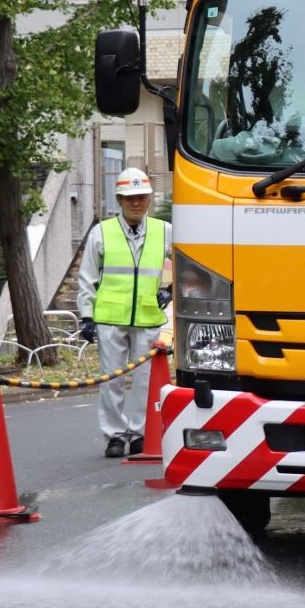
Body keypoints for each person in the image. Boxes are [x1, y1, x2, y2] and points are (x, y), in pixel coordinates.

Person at [75, 169, 172, 458]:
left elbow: (187, 261)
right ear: (119, 199)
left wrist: (172, 288)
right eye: (130, 198)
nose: (136, 203)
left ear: (149, 199)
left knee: (144, 382)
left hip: (147, 316)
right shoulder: (101, 232)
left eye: (141, 197)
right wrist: (86, 316)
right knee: (111, 380)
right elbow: (87, 277)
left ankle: (141, 434)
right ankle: (115, 436)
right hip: (109, 318)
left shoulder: (164, 230)